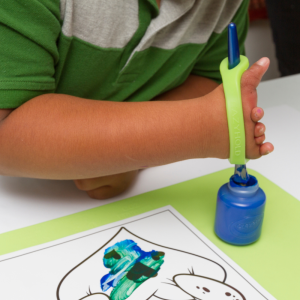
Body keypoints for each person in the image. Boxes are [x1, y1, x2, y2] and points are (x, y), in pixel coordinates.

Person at [0, 0, 273, 200]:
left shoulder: (226, 5)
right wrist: (202, 127)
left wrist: (130, 154)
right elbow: (6, 131)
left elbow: (209, 79)